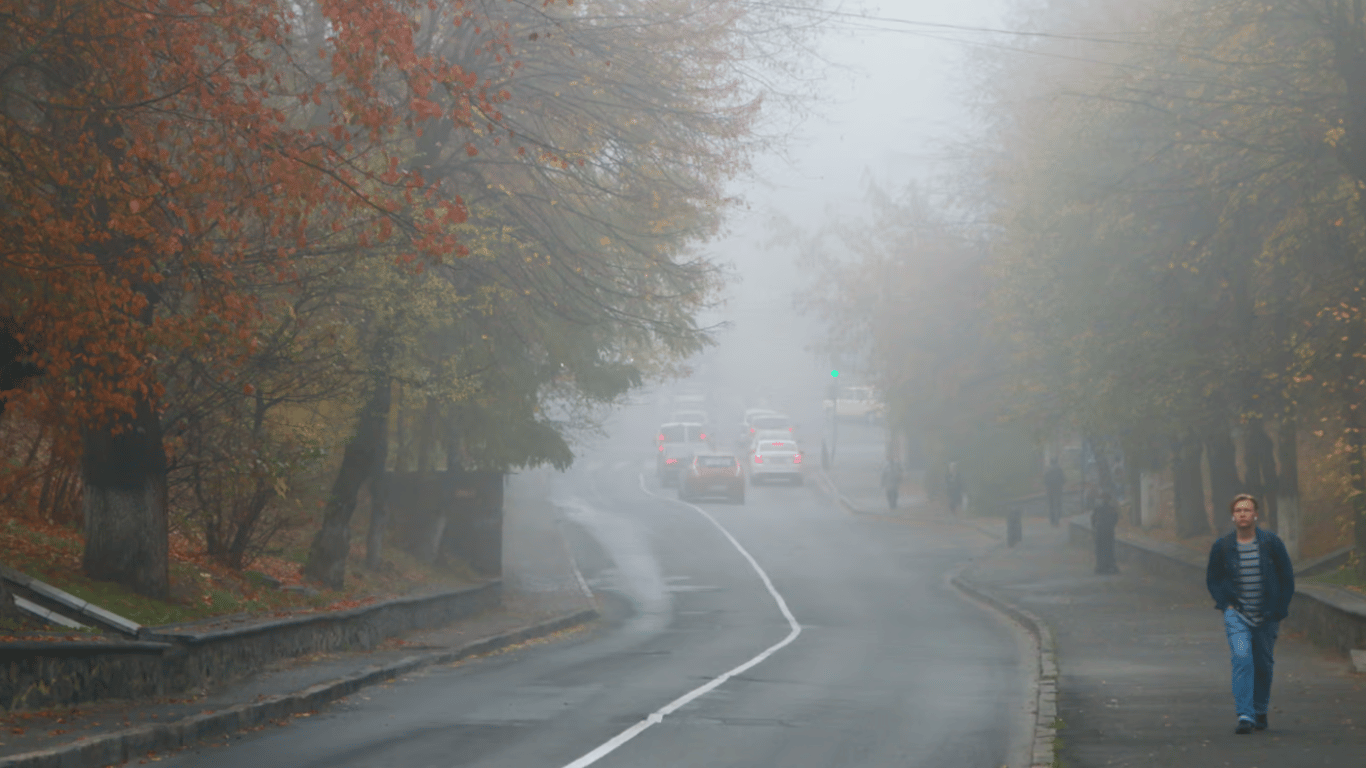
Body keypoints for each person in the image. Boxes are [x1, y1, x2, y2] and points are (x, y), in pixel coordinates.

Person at [1205, 493, 1295, 735]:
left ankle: (1260, 710)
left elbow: (1287, 577)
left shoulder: (1271, 543)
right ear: (1233, 516)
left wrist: (1280, 609)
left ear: (1256, 514)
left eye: (1247, 510)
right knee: (1242, 658)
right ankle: (1245, 714)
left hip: (1267, 615)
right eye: (1238, 510)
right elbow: (1213, 578)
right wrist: (1226, 603)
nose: (1242, 514)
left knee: (1263, 664)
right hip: (1238, 613)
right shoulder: (1223, 546)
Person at [1091, 491, 1119, 574]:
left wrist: (1095, 527)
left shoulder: (1098, 508)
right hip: (1109, 531)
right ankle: (1110, 565)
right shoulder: (1112, 509)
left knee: (1100, 549)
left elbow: (1093, 519)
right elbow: (1115, 519)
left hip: (1100, 531)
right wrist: (1111, 526)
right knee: (1109, 548)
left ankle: (1101, 566)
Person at [1044, 459, 1066, 526]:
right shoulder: (1059, 470)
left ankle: (1052, 520)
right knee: (1058, 504)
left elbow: (1045, 480)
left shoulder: (1048, 470)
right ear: (1056, 462)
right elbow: (1064, 479)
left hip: (1049, 489)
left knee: (1051, 505)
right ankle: (1057, 520)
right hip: (1058, 489)